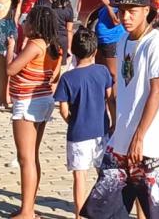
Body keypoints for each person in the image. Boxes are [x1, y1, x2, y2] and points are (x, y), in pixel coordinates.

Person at [81, 0, 159, 218]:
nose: (125, 17)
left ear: (146, 11)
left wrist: (140, 136)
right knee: (101, 211)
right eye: (122, 10)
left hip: (151, 146)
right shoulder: (123, 39)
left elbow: (157, 91)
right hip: (121, 143)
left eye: (132, 11)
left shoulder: (156, 43)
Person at [9, 4, 63, 219]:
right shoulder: (54, 46)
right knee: (33, 156)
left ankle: (27, 211)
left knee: (25, 159)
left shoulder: (35, 44)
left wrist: (11, 49)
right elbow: (55, 76)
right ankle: (29, 206)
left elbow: (11, 69)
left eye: (27, 20)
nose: (24, 24)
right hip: (43, 99)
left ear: (35, 24)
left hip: (27, 102)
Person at [56, 27, 114, 217]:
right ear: (95, 51)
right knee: (104, 175)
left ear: (73, 50)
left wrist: (72, 121)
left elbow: (63, 109)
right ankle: (104, 210)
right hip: (101, 130)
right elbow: (110, 98)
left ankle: (79, 214)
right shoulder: (103, 71)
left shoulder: (67, 78)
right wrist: (113, 121)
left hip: (78, 133)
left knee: (80, 177)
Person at [95, 0, 130, 82]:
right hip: (101, 40)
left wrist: (108, 5)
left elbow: (116, 21)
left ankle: (114, 93)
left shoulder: (122, 2)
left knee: (113, 73)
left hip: (112, 41)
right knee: (99, 71)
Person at [37, 0, 76, 64]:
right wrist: (69, 48)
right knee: (59, 68)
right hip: (62, 42)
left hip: (44, 40)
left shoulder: (42, 1)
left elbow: (35, 21)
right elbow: (69, 30)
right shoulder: (68, 6)